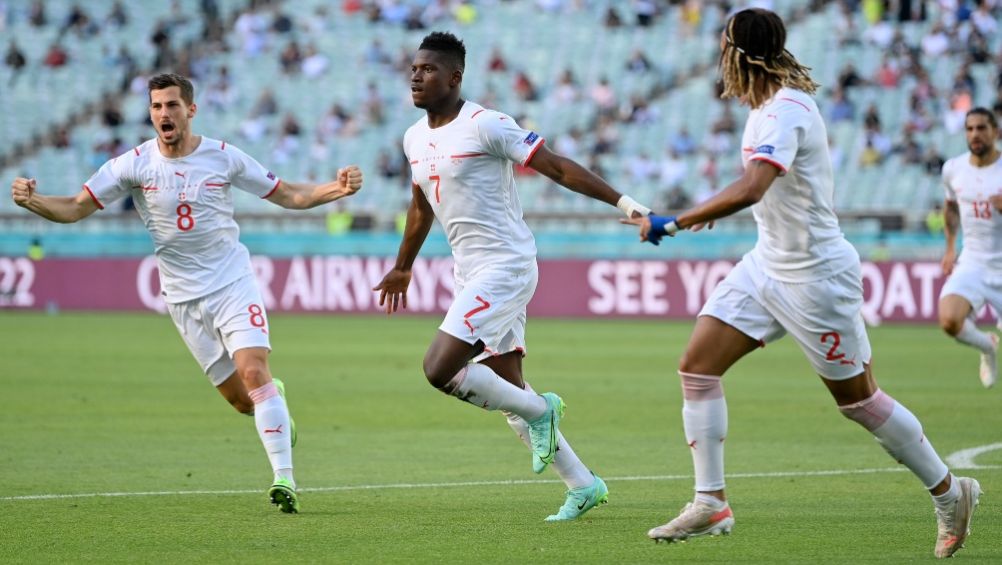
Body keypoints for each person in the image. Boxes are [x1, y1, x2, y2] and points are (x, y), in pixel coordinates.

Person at [622, 9, 980, 558]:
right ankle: (710, 500)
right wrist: (720, 205)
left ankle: (950, 491)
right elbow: (752, 187)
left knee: (859, 402)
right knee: (696, 368)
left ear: (740, 52)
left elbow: (755, 185)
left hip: (816, 278)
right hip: (767, 265)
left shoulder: (786, 109)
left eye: (723, 46)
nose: (719, 56)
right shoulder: (764, 107)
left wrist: (678, 219)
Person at [10, 73, 363, 514]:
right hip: (182, 299)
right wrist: (34, 201)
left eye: (172, 105)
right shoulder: (132, 165)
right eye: (157, 107)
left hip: (233, 283)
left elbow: (287, 194)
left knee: (254, 372)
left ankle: (284, 480)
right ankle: (276, 403)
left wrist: (338, 189)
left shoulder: (223, 157)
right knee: (242, 401)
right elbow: (77, 207)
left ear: (190, 110)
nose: (164, 114)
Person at [373, 32, 652, 521]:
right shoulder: (413, 137)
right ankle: (583, 485)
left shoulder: (487, 125)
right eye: (414, 69)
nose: (416, 76)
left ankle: (542, 409)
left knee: (440, 368)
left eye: (429, 69)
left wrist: (626, 203)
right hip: (470, 272)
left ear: (455, 77)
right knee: (506, 385)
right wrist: (403, 265)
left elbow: (558, 168)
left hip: (506, 265)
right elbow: (420, 206)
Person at [938, 108, 1002, 389]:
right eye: (970, 128)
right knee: (949, 320)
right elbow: (950, 207)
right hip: (973, 261)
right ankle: (987, 346)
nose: (975, 134)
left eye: (981, 128)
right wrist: (951, 248)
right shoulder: (953, 169)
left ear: (995, 132)